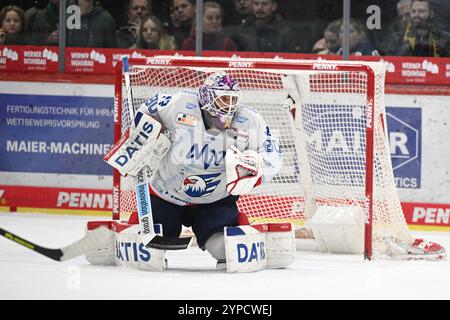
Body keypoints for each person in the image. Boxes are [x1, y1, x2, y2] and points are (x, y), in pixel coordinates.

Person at [111, 71, 283, 267]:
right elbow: (149, 109)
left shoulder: (249, 120)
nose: (229, 106)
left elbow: (273, 153)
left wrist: (257, 168)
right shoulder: (180, 104)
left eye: (233, 99)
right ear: (207, 97)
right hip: (166, 195)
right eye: (224, 99)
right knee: (147, 250)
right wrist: (146, 130)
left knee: (225, 249)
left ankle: (242, 229)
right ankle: (133, 228)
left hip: (215, 201)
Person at [384, 0, 450, 57]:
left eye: (421, 11)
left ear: (431, 14)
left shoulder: (445, 39)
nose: (416, 15)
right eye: (413, 11)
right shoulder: (397, 39)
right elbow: (390, 64)